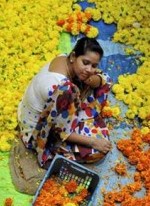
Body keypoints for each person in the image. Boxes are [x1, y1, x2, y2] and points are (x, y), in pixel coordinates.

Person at [18, 37, 113, 168]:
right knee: (95, 152)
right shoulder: (62, 89)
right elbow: (59, 131)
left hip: (51, 108)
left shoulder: (63, 58)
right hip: (37, 130)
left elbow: (97, 78)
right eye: (85, 62)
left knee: (104, 79)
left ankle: (79, 115)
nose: (89, 69)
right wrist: (93, 142)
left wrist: (89, 79)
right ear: (73, 56)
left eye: (94, 65)